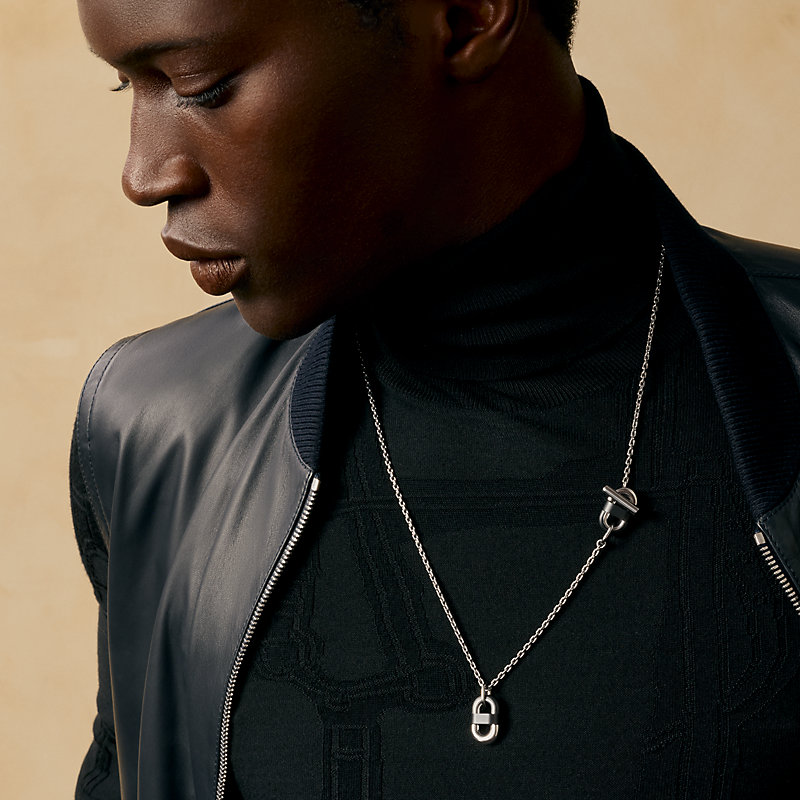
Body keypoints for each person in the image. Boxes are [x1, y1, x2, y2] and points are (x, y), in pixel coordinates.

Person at [72, 0, 800, 797]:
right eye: (129, 86)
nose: (145, 175)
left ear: (466, 16)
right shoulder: (155, 433)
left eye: (199, 84)